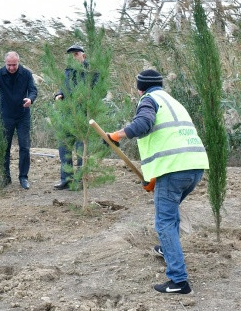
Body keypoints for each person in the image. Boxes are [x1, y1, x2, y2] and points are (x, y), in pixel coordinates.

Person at [106, 69, 209, 295]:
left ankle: (179, 281)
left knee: (164, 221)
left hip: (174, 169)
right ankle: (167, 249)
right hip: (195, 166)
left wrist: (116, 135)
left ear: (140, 88)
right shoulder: (172, 101)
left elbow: (143, 124)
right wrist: (153, 177)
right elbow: (168, 138)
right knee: (170, 214)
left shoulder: (148, 100)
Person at [53, 44, 98, 190]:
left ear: (83, 55)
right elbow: (64, 87)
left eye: (76, 54)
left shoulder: (92, 70)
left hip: (83, 114)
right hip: (67, 113)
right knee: (64, 146)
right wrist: (59, 94)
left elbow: (97, 90)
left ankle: (80, 180)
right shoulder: (68, 71)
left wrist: (84, 99)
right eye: (71, 55)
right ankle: (66, 178)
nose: (74, 57)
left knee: (80, 147)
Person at [0, 51, 38, 189]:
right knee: (5, 148)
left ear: (18, 62)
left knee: (24, 147)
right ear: (5, 63)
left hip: (23, 115)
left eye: (14, 65)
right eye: (9, 65)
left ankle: (23, 177)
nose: (11, 68)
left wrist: (31, 99)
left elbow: (33, 90)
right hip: (6, 116)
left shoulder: (26, 74)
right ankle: (6, 177)